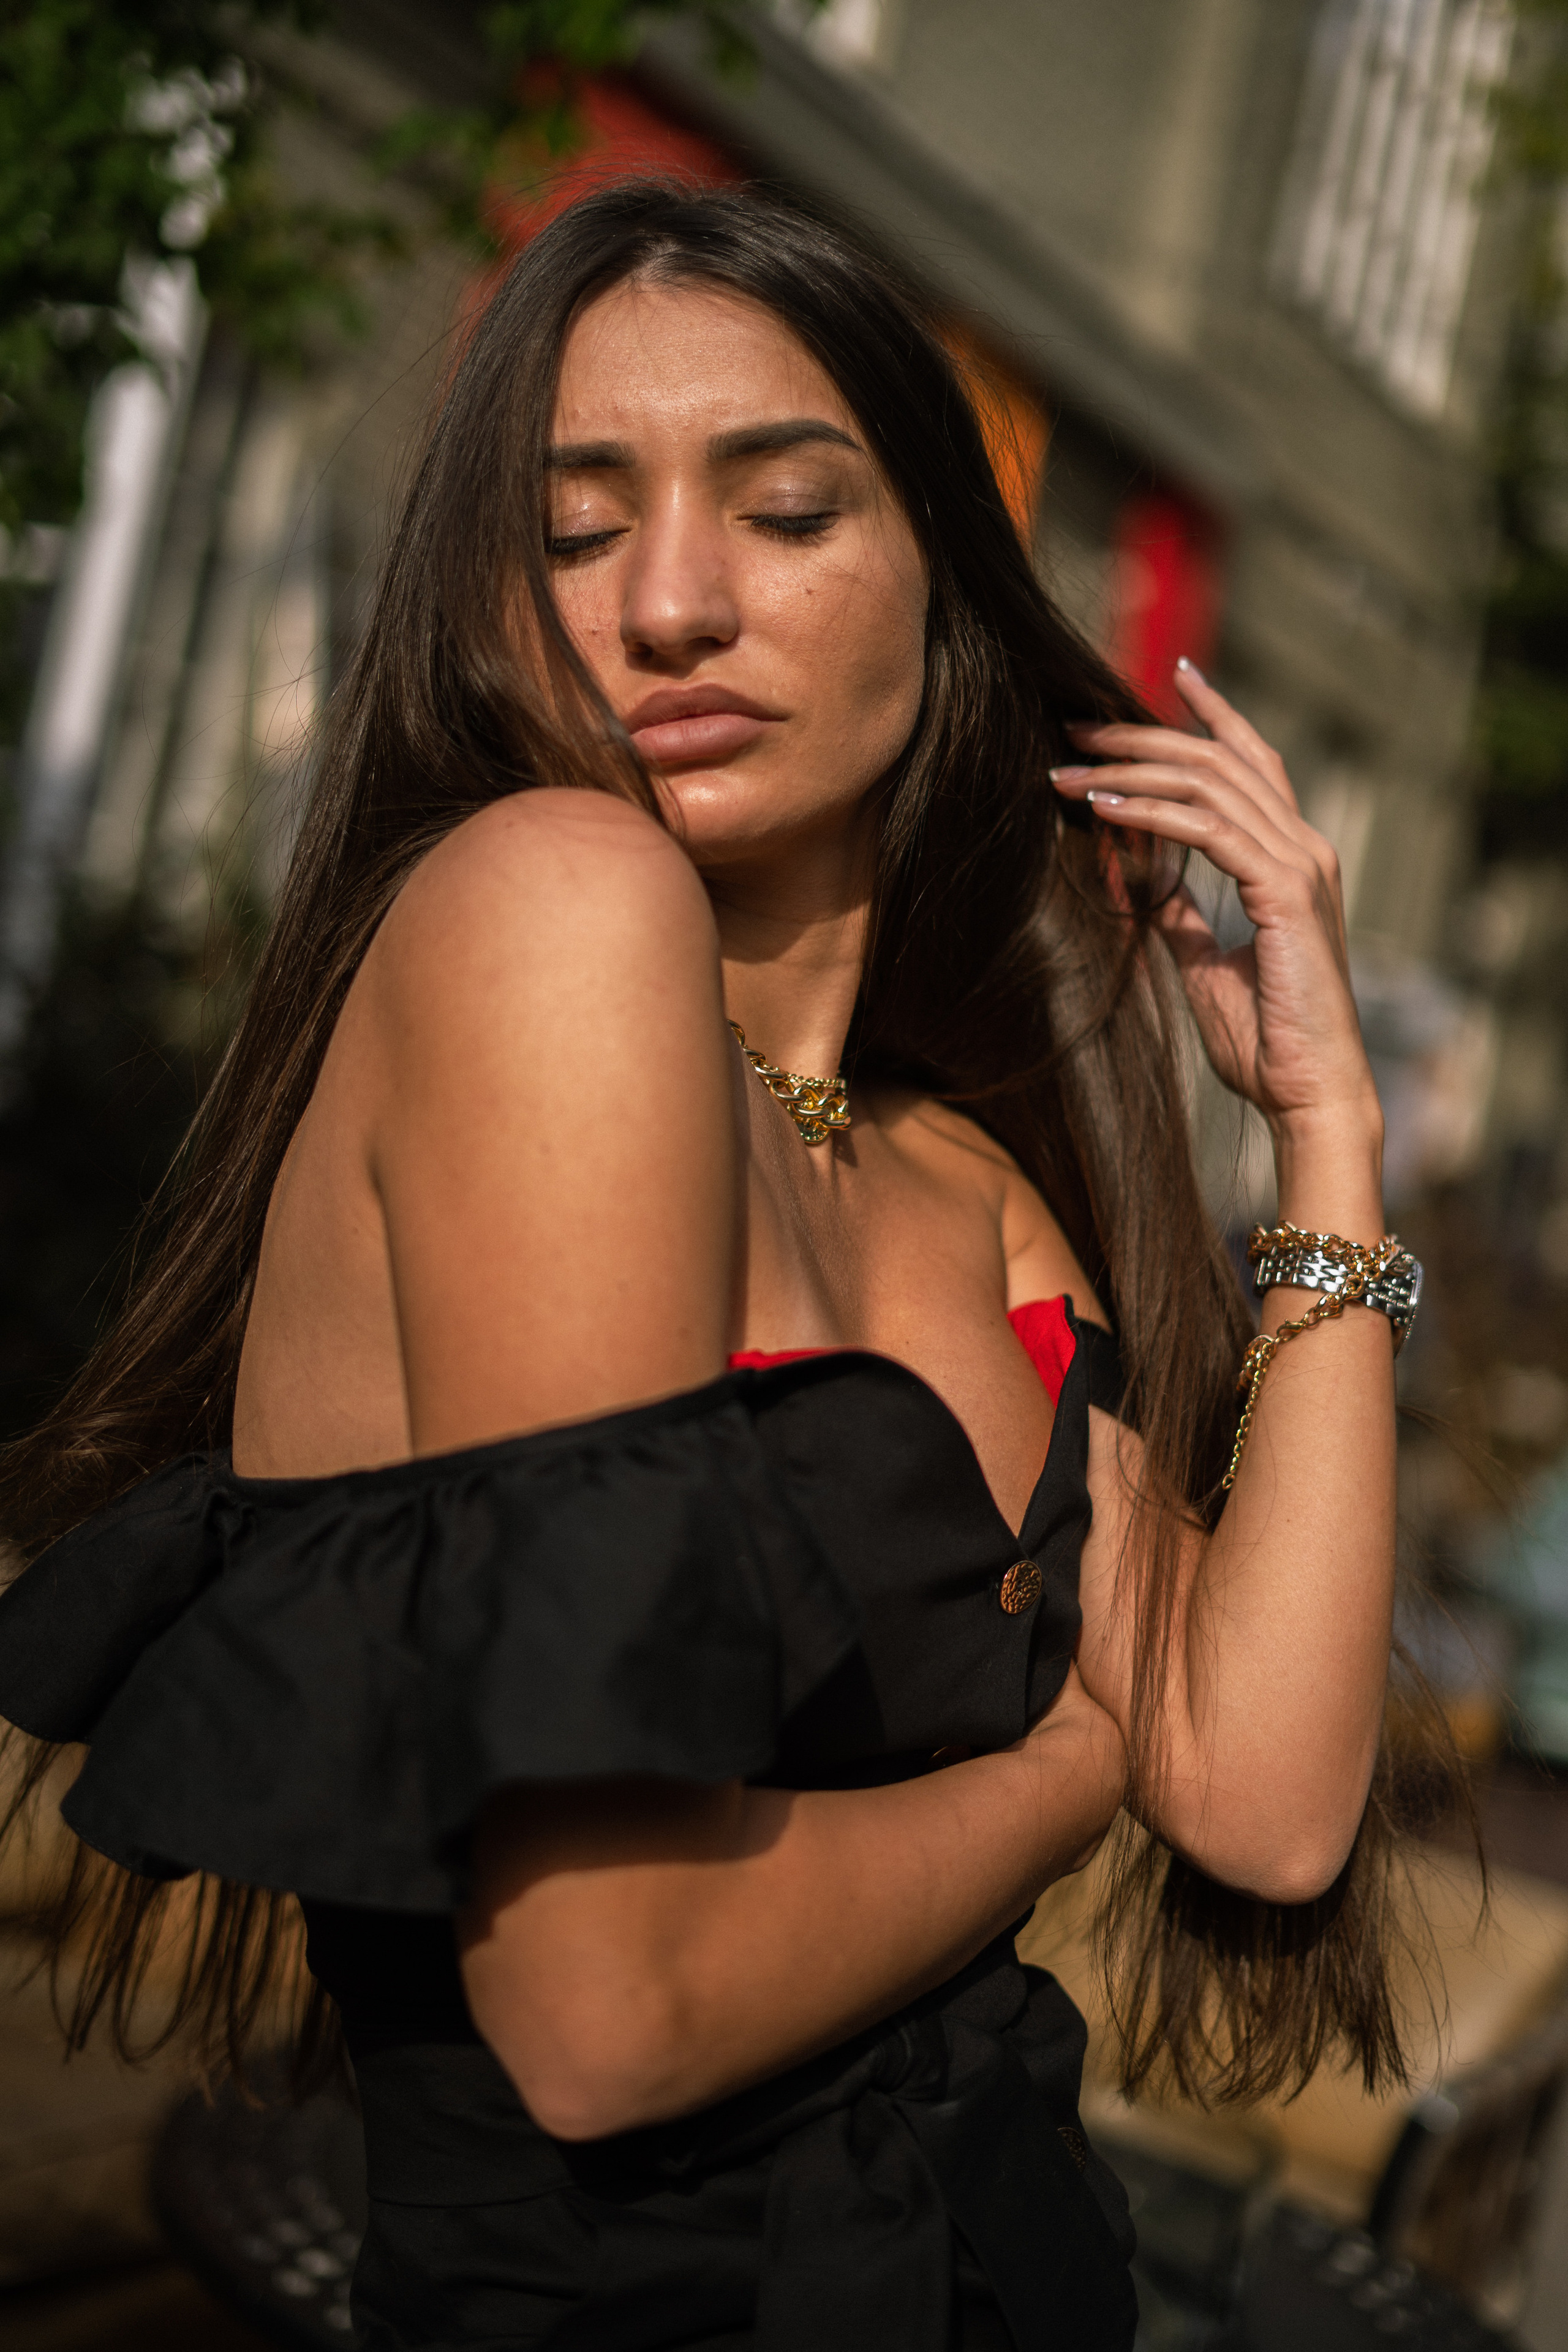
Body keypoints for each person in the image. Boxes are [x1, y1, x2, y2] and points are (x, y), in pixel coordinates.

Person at [0, 182, 1436, 2350]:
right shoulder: (551, 912)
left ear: (943, 575)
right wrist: (1060, 1773)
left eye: (783, 511)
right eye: (577, 532)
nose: (671, 604)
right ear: (492, 613)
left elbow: (1269, 1800)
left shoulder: (965, 1184)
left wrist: (1329, 1141)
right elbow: (610, 2009)